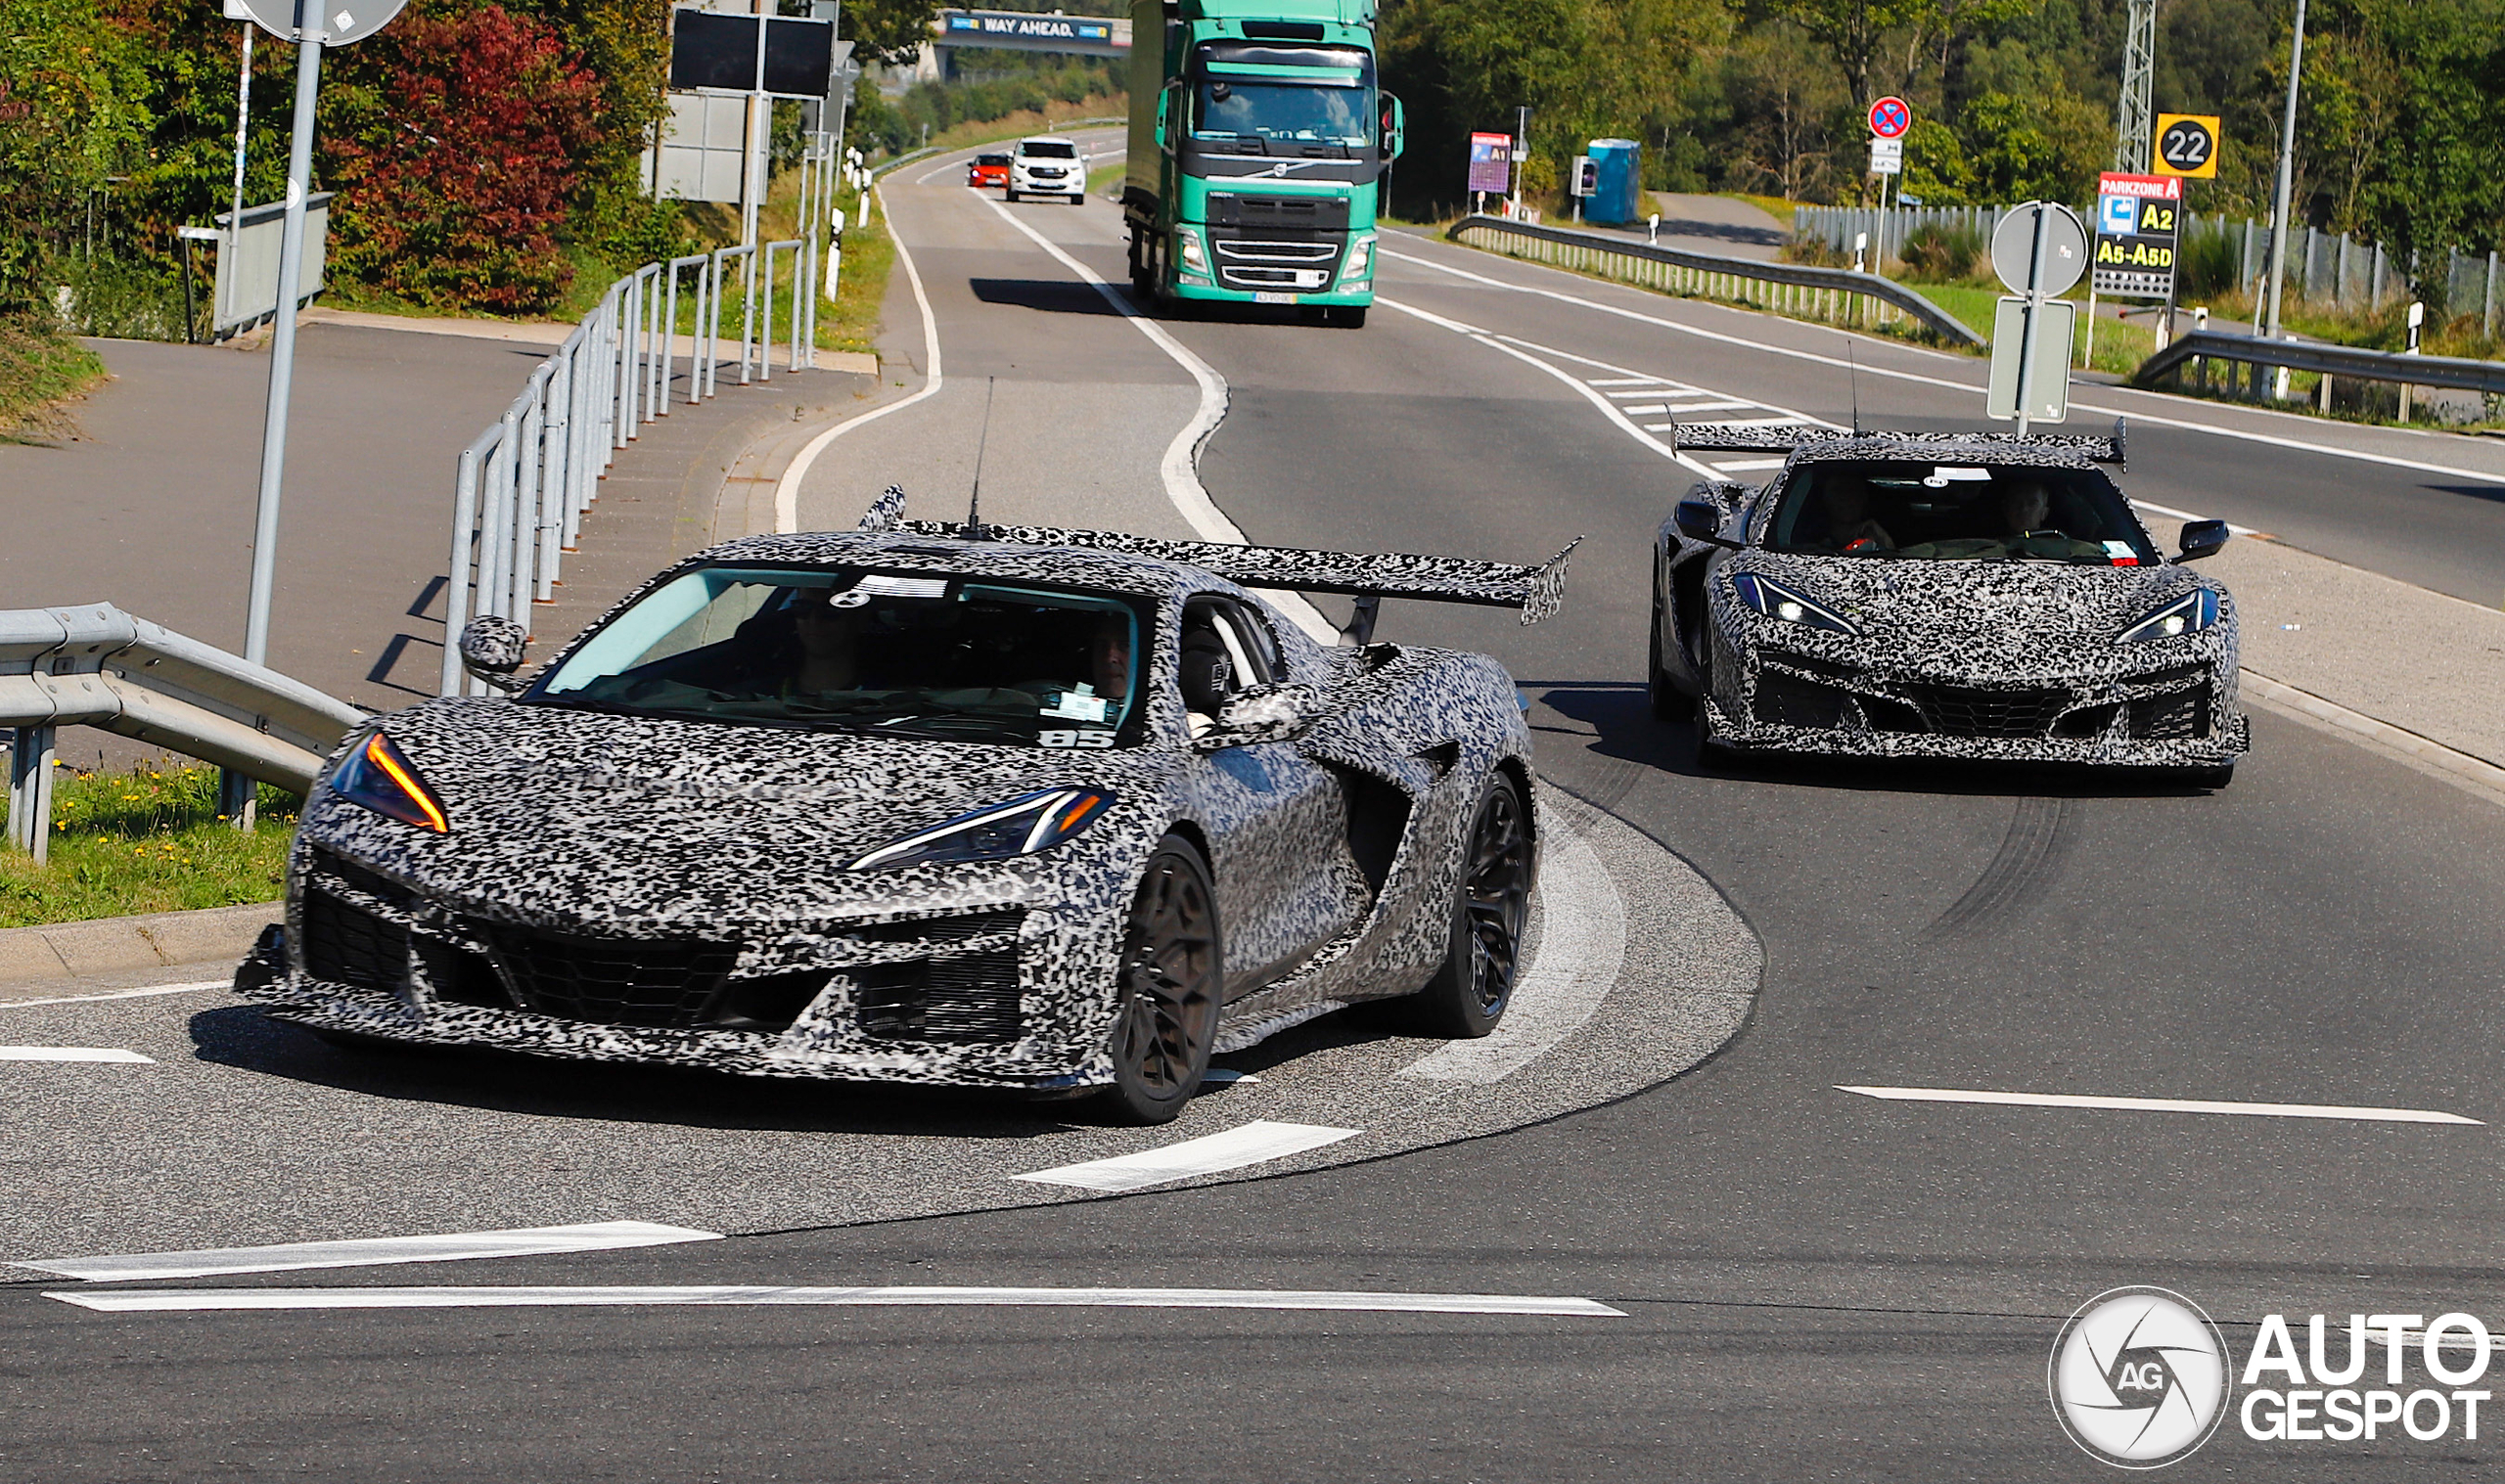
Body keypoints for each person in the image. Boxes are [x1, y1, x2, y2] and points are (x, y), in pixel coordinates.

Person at [1814, 475, 1895, 552]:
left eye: (1852, 490)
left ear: (1864, 497)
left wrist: (1882, 538)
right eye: (1837, 490)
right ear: (1824, 498)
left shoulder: (1876, 537)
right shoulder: (1809, 540)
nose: (1845, 497)